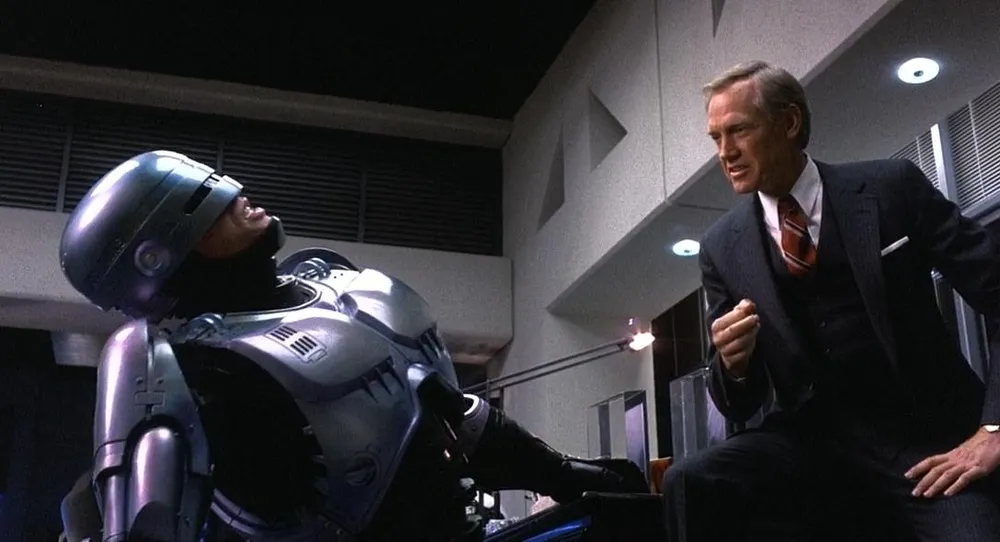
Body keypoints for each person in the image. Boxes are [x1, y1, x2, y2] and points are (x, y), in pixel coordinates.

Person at [57, 150, 648, 542]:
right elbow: (148, 523)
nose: (236, 195)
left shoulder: (337, 285)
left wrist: (564, 474)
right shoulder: (182, 364)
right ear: (159, 254)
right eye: (202, 205)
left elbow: (453, 418)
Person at [661, 60, 1000, 541]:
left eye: (738, 131)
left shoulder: (891, 187)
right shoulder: (721, 248)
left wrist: (993, 430)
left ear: (789, 122)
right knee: (689, 482)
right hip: (812, 451)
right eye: (715, 138)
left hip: (926, 445)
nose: (725, 152)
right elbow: (739, 402)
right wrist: (733, 365)